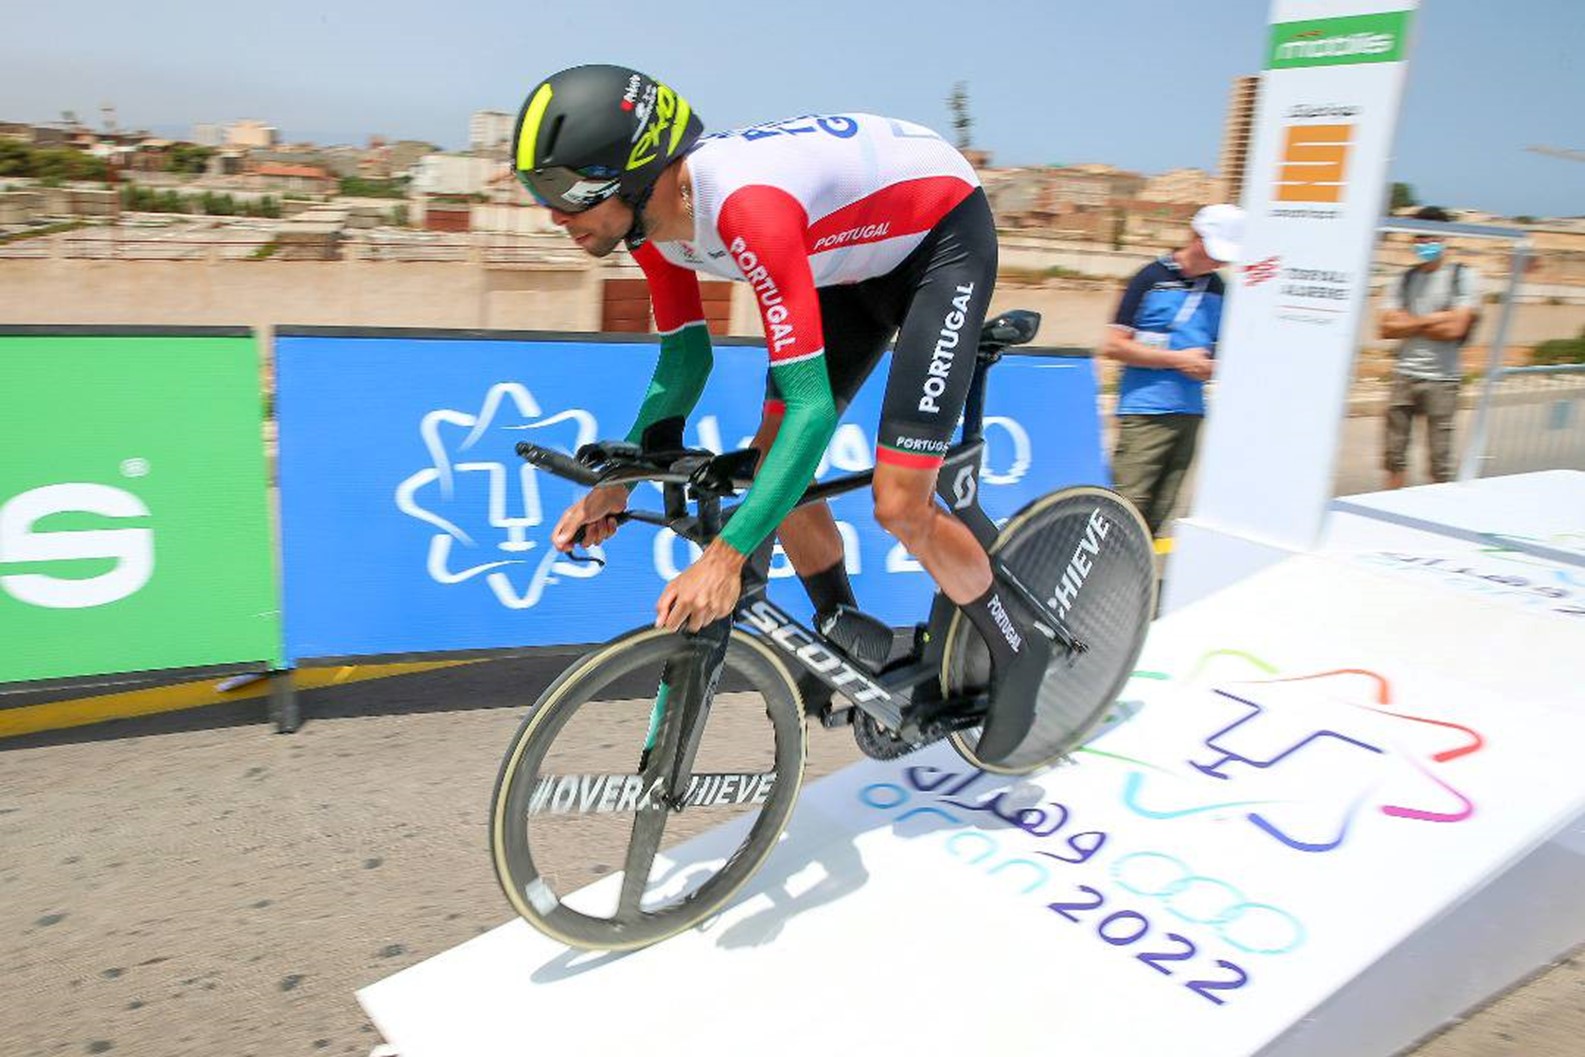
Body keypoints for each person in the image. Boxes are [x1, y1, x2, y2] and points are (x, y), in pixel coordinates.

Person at [518, 64, 1043, 762]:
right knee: (772, 470)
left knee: (899, 503)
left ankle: (1018, 648)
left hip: (937, 242)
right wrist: (618, 482)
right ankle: (841, 626)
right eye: (539, 192)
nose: (555, 215)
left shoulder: (746, 212)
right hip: (847, 256)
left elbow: (811, 411)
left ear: (637, 173)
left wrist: (727, 557)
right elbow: (684, 362)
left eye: (567, 193)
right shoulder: (653, 225)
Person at [1101, 204, 1243, 537]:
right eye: (1214, 252)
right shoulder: (1150, 278)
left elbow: (1221, 350)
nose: (1219, 262)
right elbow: (1114, 345)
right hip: (1145, 411)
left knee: (1162, 509)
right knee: (1126, 506)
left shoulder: (1219, 289)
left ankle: (1135, 583)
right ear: (1196, 236)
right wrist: (1179, 360)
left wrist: (1212, 367)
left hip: (1190, 413)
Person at [1378, 206, 1480, 488]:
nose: (1425, 243)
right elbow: (1385, 328)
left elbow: (1456, 329)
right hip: (1404, 374)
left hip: (1443, 379)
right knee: (1393, 457)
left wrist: (1410, 323)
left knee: (1440, 462)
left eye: (1431, 237)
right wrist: (1435, 317)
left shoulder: (1462, 276)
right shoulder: (1404, 279)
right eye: (1419, 237)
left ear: (1446, 238)